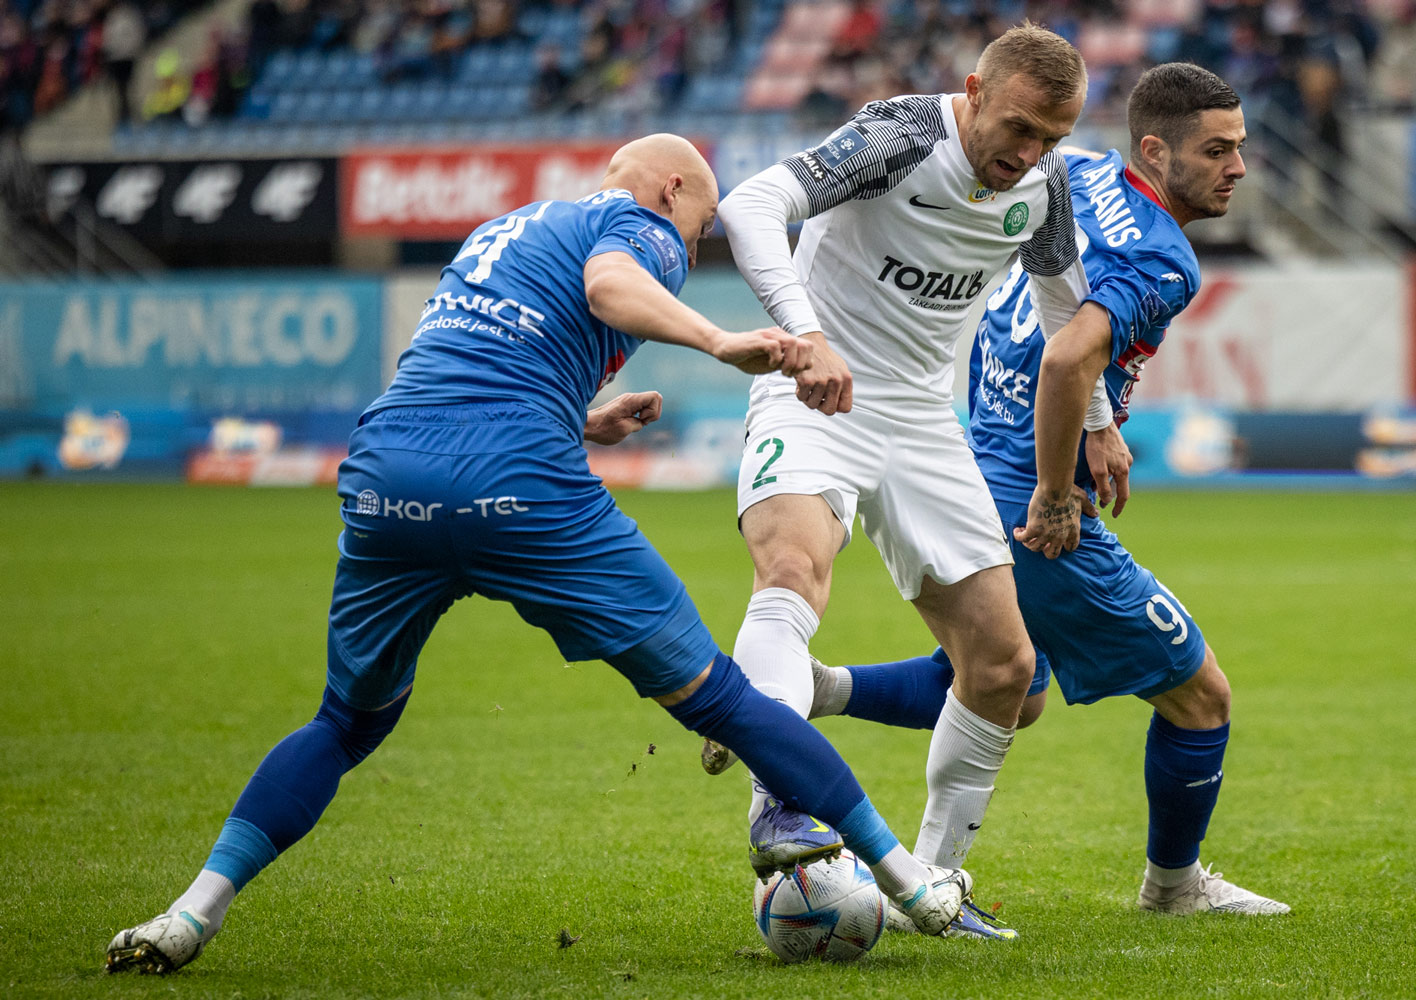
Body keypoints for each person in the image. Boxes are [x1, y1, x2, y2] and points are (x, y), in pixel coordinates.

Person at [104, 135, 974, 975]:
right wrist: (720, 340)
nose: (693, 241)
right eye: (700, 225)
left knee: (344, 722)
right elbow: (609, 285)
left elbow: (459, 366)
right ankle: (912, 883)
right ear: (671, 191)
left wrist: (580, 419)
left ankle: (189, 913)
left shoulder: (501, 230)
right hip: (517, 485)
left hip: (387, 476)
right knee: (723, 700)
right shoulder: (640, 230)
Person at [752, 63, 1292, 921]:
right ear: (1156, 150)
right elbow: (1069, 352)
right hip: (1028, 494)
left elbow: (1046, 313)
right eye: (1217, 149)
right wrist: (1054, 489)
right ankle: (1173, 887)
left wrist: (1102, 424)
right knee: (1200, 696)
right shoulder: (1160, 253)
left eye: (1240, 149)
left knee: (1011, 679)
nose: (1236, 166)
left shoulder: (1071, 175)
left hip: (968, 438)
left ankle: (791, 693)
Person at [710, 22, 1124, 940]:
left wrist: (1097, 423)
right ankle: (781, 802)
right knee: (792, 574)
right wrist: (802, 333)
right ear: (973, 90)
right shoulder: (899, 135)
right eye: (1017, 127)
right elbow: (749, 203)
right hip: (816, 394)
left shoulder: (1044, 182)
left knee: (1009, 672)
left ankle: (932, 880)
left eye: (1051, 139)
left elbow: (1063, 297)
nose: (1030, 154)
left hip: (925, 421)